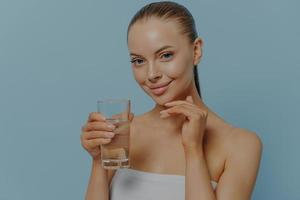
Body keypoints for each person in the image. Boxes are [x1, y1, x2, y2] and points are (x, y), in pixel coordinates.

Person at [80, 1, 263, 200]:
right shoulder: (124, 131)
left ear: (196, 51)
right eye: (138, 61)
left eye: (166, 55)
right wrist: (99, 160)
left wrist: (193, 151)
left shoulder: (240, 145)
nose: (151, 74)